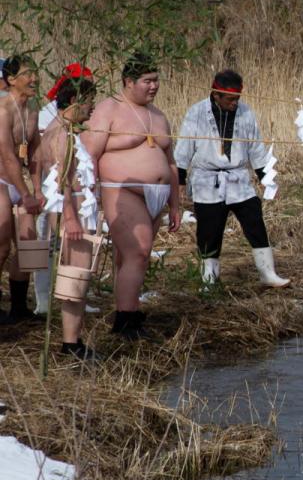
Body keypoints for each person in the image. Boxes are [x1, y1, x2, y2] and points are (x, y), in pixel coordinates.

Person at [83, 55, 181, 340]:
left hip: (157, 195)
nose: (154, 86)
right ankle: (126, 321)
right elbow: (90, 152)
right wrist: (87, 195)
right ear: (128, 82)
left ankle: (128, 309)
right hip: (122, 190)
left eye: (156, 80)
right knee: (138, 251)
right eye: (147, 81)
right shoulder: (108, 109)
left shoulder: (159, 115)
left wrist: (175, 203)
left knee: (134, 256)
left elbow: (170, 162)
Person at [175, 70, 288, 288]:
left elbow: (256, 147)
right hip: (207, 180)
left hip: (238, 178)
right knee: (210, 230)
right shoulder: (196, 112)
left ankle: (268, 273)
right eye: (230, 99)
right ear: (216, 94)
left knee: (254, 221)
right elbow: (182, 150)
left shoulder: (246, 112)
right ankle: (209, 279)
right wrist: (180, 181)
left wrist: (266, 178)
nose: (235, 103)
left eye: (238, 98)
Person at [34, 75, 99, 359]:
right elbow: (62, 180)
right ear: (74, 101)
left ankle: (73, 340)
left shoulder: (59, 128)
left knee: (77, 274)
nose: (93, 107)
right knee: (76, 275)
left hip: (73, 210)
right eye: (90, 101)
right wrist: (71, 218)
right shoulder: (61, 134)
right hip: (70, 214)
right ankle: (70, 343)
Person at [0, 55, 45, 324]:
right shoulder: (3, 110)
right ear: (11, 80)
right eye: (28, 74)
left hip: (20, 182)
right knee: (2, 242)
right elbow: (6, 155)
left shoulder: (33, 109)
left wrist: (37, 188)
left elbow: (36, 151)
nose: (34, 79)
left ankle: (19, 307)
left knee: (29, 246)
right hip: (2, 181)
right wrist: (25, 193)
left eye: (35, 73)